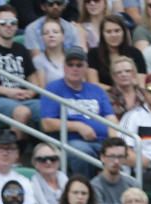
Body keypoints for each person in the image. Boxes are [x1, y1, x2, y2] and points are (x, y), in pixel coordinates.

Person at [40, 47, 117, 177]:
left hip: (103, 141)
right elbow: (47, 123)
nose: (75, 68)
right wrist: (78, 126)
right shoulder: (53, 88)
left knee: (120, 153)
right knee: (81, 152)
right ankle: (85, 188)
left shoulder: (96, 90)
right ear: (64, 67)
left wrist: (114, 141)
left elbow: (111, 118)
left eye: (79, 65)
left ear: (86, 68)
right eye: (70, 65)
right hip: (73, 141)